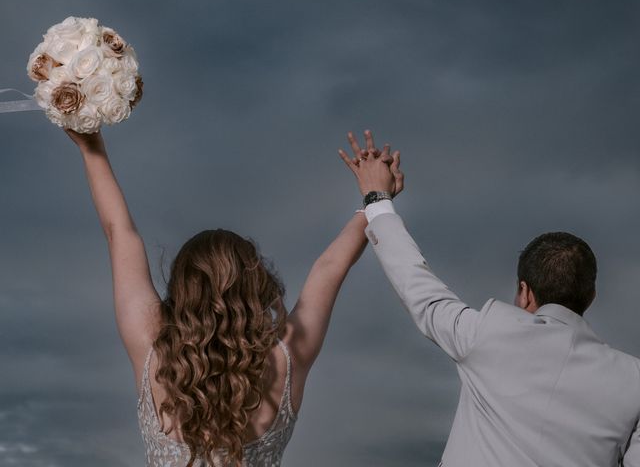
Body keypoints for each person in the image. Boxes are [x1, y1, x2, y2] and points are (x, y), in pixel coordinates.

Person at [64, 128, 403, 467]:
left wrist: (90, 145)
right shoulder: (288, 357)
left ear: (181, 290)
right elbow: (330, 267)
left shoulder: (150, 345)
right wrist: (377, 199)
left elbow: (118, 232)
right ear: (256, 285)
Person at [339, 131, 640, 467]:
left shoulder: (488, 332)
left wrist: (377, 198)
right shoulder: (634, 380)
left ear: (524, 292)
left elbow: (418, 287)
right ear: (591, 296)